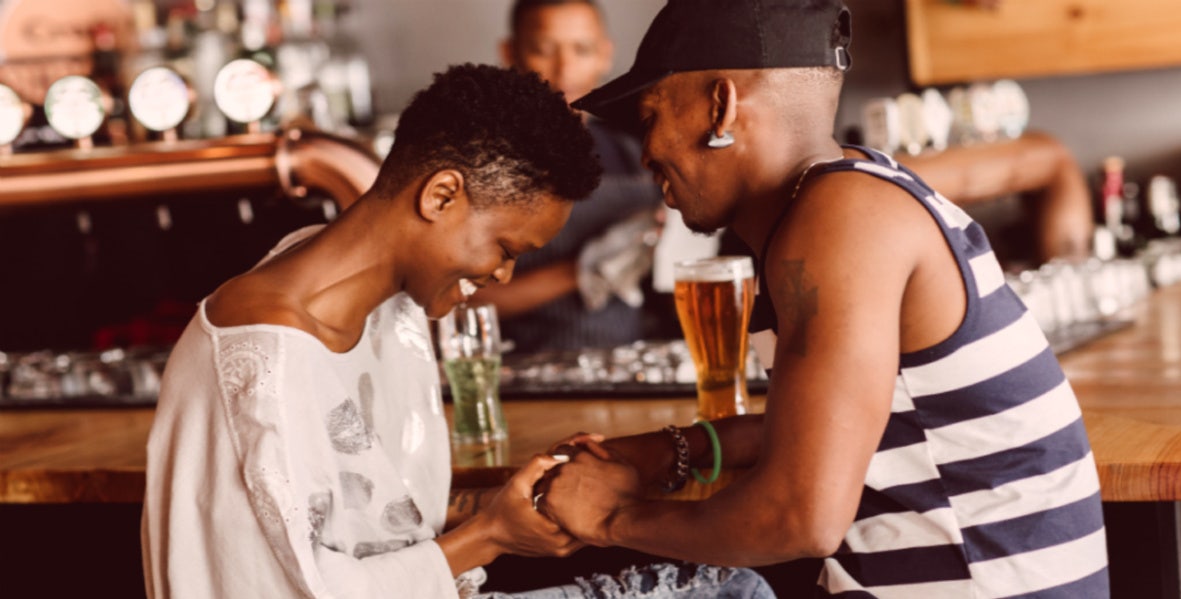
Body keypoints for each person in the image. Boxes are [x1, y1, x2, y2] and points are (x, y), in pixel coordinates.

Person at [538, 1, 1110, 597]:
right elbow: (847, 422)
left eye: (651, 115)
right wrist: (671, 449)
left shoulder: (839, 223)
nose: (647, 150)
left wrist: (610, 518)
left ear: (721, 106)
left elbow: (800, 517)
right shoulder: (848, 194)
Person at [140, 62, 772, 599]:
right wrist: (489, 537)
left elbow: (375, 519)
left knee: (732, 583)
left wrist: (518, 505)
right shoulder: (262, 363)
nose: (503, 273)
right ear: (442, 195)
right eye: (504, 246)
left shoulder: (376, 295)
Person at [470, 0, 667, 353]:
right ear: (509, 53)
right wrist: (581, 272)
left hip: (627, 367)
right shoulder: (482, 165)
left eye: (582, 49)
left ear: (605, 55)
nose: (565, 69)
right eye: (544, 50)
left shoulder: (637, 154)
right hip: (525, 374)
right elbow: (456, 305)